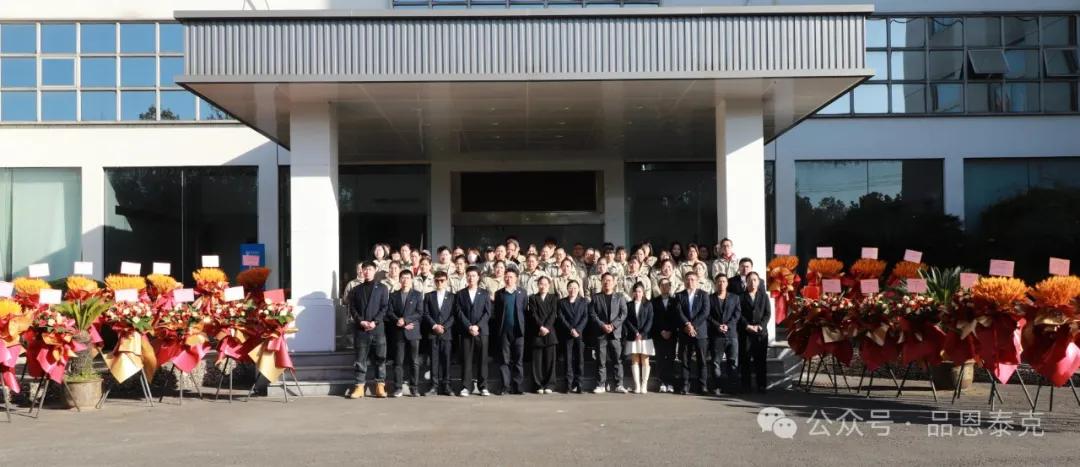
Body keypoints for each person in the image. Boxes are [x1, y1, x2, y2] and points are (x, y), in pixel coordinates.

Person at [346, 262, 390, 399]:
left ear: (375, 270)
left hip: (377, 329)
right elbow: (352, 308)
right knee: (360, 359)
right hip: (361, 329)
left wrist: (374, 322)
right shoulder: (356, 289)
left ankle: (380, 386)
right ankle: (359, 387)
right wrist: (361, 321)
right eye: (365, 269)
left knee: (380, 358)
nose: (367, 272)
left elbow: (385, 307)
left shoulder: (382, 288)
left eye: (370, 269)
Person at [455, 266, 492, 397]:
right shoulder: (460, 294)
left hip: (482, 331)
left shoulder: (485, 293)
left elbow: (488, 312)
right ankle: (466, 387)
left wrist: (478, 326)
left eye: (473, 275)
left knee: (482, 360)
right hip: (466, 331)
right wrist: (469, 326)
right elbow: (459, 312)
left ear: (478, 277)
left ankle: (483, 387)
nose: (471, 278)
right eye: (469, 275)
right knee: (466, 360)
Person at [590, 273, 628, 394]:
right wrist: (602, 325)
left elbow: (623, 313)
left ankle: (619, 384)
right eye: (605, 280)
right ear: (601, 282)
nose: (607, 282)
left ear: (614, 282)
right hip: (601, 332)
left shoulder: (620, 297)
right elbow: (592, 314)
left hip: (615, 333)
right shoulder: (596, 297)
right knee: (601, 360)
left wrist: (613, 325)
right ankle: (600, 385)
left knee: (617, 360)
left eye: (610, 280)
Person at [388, 270, 423, 397]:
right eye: (403, 278)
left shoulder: (417, 295)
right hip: (399, 331)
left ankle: (414, 388)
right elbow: (389, 312)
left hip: (413, 332)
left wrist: (406, 320)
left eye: (408, 278)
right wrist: (400, 321)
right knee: (398, 361)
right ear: (399, 279)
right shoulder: (393, 295)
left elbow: (419, 313)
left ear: (412, 279)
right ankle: (398, 388)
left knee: (414, 361)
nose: (405, 280)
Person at [675, 271, 710, 395]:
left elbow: (705, 312)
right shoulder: (679, 295)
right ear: (684, 281)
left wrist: (692, 325)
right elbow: (679, 312)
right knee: (685, 360)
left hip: (700, 332)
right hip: (685, 332)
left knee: (702, 360)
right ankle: (685, 385)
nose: (690, 282)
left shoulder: (703, 294)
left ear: (697, 281)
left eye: (692, 279)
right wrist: (687, 325)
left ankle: (703, 386)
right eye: (688, 279)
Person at [493, 269, 527, 395]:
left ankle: (517, 386)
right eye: (506, 277)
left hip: (518, 331)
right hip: (504, 331)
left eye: (511, 277)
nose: (508, 279)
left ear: (516, 278)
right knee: (504, 360)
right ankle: (505, 386)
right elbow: (497, 313)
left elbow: (524, 310)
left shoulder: (522, 293)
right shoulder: (499, 294)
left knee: (518, 360)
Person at [423, 271, 455, 396]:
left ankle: (447, 385)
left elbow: (454, 315)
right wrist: (434, 325)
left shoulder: (452, 297)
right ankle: (434, 386)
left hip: (447, 333)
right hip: (433, 332)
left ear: (446, 281)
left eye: (442, 280)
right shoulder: (429, 296)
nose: (439, 283)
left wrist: (444, 327)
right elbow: (426, 313)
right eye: (437, 280)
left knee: (446, 360)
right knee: (434, 360)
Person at [739, 271, 771, 393]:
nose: (752, 282)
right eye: (750, 280)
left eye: (755, 280)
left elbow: (767, 313)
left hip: (760, 333)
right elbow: (739, 314)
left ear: (758, 282)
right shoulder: (740, 297)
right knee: (745, 360)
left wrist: (761, 326)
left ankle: (761, 385)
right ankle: (746, 386)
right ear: (746, 282)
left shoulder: (764, 296)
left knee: (760, 360)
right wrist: (747, 325)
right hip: (746, 332)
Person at [709, 274, 740, 394]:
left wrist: (728, 325)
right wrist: (718, 326)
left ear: (727, 283)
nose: (721, 283)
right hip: (717, 335)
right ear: (715, 283)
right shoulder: (710, 298)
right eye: (719, 281)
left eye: (723, 281)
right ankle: (717, 386)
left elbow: (737, 314)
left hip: (731, 334)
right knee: (715, 362)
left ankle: (733, 387)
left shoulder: (735, 298)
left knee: (732, 362)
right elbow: (708, 316)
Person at [527, 276, 559, 394]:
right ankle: (538, 385)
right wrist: (540, 327)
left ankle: (550, 385)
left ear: (549, 285)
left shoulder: (553, 298)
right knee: (537, 361)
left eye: (545, 284)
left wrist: (547, 327)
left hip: (550, 332)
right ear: (538, 285)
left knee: (550, 361)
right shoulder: (532, 298)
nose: (543, 286)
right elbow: (533, 314)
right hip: (537, 331)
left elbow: (553, 313)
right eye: (541, 283)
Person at [557, 280, 588, 393]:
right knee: (568, 360)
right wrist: (571, 329)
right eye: (570, 287)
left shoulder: (583, 301)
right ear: (567, 289)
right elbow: (561, 317)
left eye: (575, 288)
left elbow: (585, 317)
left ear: (579, 289)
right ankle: (568, 385)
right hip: (567, 334)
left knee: (580, 360)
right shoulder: (562, 302)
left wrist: (578, 330)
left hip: (579, 334)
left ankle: (579, 385)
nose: (573, 290)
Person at [624, 282, 654, 394]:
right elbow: (627, 320)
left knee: (645, 360)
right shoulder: (629, 305)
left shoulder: (648, 304)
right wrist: (636, 332)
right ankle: (637, 385)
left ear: (643, 292)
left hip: (645, 336)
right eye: (636, 291)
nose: (638, 293)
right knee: (635, 359)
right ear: (633, 293)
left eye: (640, 291)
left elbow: (650, 320)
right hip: (633, 336)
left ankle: (644, 385)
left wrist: (642, 333)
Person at [650, 278, 679, 393]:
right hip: (659, 334)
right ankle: (661, 382)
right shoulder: (654, 301)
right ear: (659, 287)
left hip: (672, 334)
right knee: (660, 358)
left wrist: (670, 331)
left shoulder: (675, 301)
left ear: (670, 287)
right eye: (662, 285)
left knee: (670, 358)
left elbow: (677, 317)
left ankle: (670, 383)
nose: (664, 287)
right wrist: (661, 331)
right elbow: (653, 318)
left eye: (667, 285)